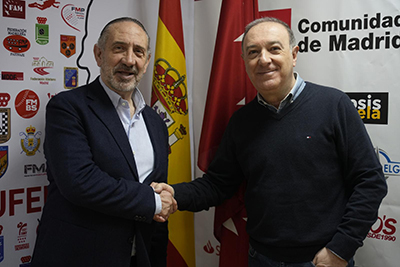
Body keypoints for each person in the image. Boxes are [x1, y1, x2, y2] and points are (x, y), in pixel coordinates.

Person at [154, 17, 387, 267]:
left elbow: (370, 182)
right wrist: (175, 193)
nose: (264, 60)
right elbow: (218, 185)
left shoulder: (334, 105)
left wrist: (341, 249)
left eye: (274, 49)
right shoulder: (241, 122)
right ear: (244, 62)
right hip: (261, 258)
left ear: (294, 54)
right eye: (253, 52)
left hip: (323, 259)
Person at [31, 17, 176, 267]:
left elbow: (157, 192)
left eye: (138, 52)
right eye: (119, 48)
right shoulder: (67, 108)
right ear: (99, 54)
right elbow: (80, 181)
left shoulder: (156, 122)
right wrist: (152, 201)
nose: (129, 60)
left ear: (146, 62)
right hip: (78, 257)